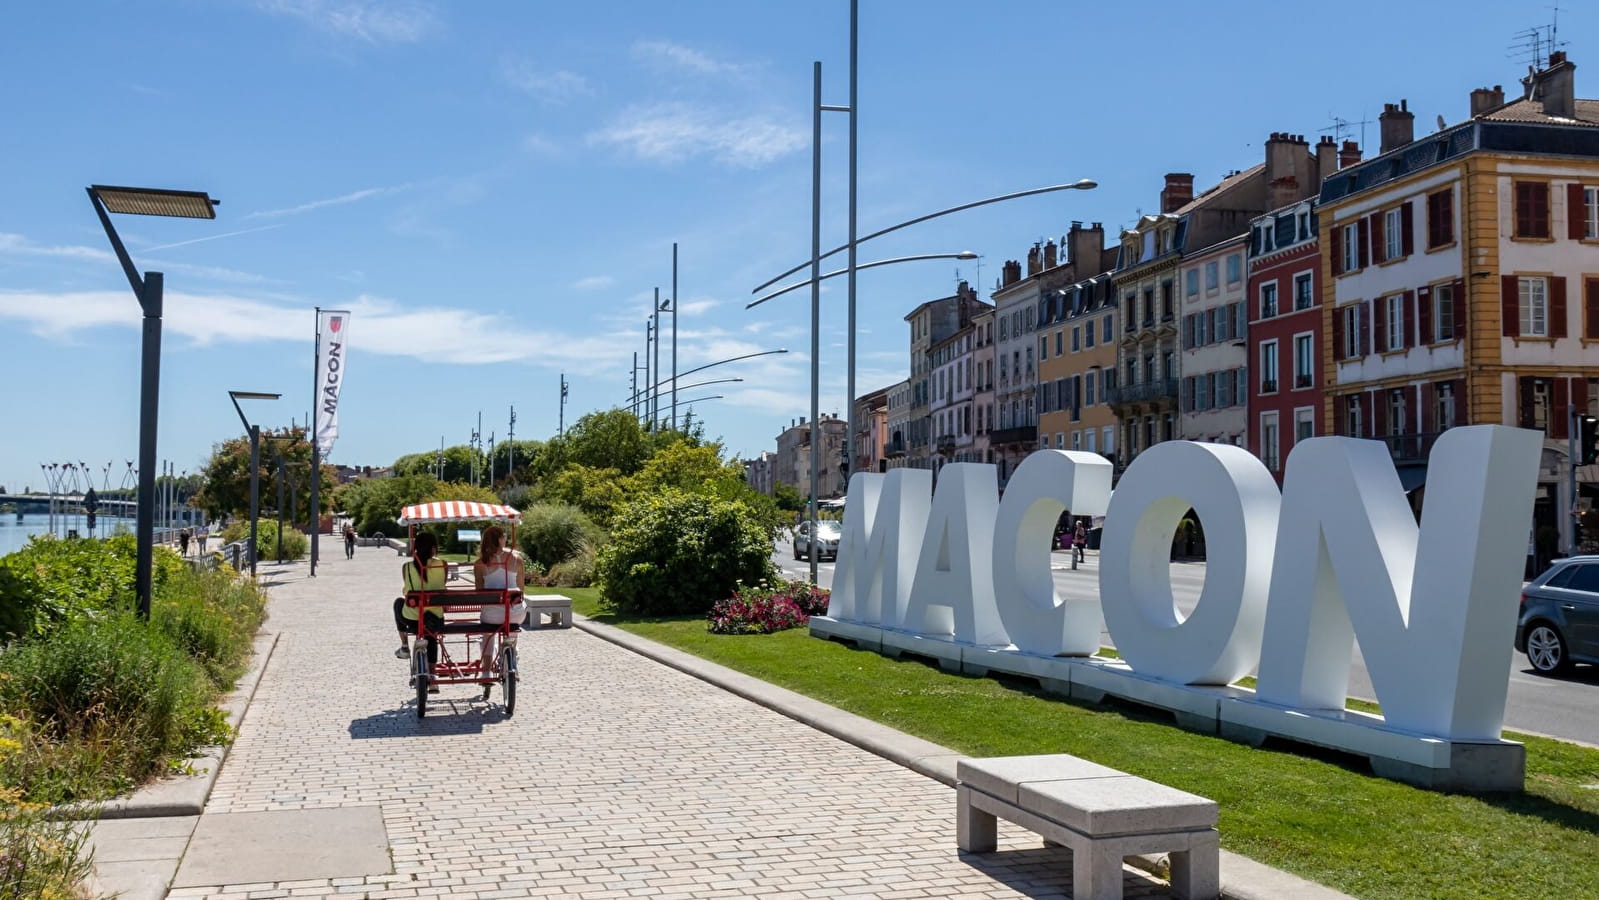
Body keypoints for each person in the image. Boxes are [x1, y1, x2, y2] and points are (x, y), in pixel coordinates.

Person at [394, 531, 447, 692]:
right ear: (434, 547)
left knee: (398, 603)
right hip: (435, 618)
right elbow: (441, 587)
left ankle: (404, 645)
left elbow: (407, 591)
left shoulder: (407, 567)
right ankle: (433, 676)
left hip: (412, 618)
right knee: (432, 637)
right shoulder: (442, 564)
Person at [473, 524, 525, 677]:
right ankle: (512, 657)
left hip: (492, 614)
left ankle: (487, 671)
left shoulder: (480, 563)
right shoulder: (517, 559)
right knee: (512, 631)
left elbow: (479, 591)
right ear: (501, 540)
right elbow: (521, 588)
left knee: (488, 636)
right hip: (515, 611)